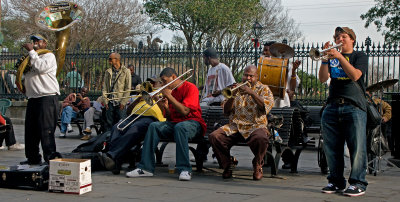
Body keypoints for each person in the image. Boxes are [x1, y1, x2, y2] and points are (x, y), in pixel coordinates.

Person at [126, 67, 206, 181]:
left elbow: (185, 111)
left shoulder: (190, 88)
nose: (163, 84)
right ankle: (145, 168)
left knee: (180, 127)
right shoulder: (170, 92)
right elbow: (169, 118)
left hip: (193, 123)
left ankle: (184, 169)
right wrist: (166, 108)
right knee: (154, 126)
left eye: (164, 80)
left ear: (173, 77)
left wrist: (170, 96)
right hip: (176, 124)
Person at [318, 27, 368, 196]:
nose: (340, 39)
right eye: (337, 37)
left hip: (353, 106)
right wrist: (325, 60)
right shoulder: (332, 58)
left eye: (344, 36)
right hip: (332, 105)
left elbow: (355, 75)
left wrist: (340, 57)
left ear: (352, 39)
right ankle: (336, 181)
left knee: (357, 147)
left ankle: (358, 182)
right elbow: (323, 79)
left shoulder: (358, 56)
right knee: (331, 148)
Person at [209, 65, 274, 180]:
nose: (247, 78)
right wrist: (232, 97)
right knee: (215, 136)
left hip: (255, 125)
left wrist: (251, 93)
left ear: (257, 77)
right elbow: (226, 111)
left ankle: (258, 164)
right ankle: (228, 164)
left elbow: (265, 108)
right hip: (235, 125)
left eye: (251, 76)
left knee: (261, 138)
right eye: (245, 75)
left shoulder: (264, 89)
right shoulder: (235, 88)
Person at [98, 78, 165, 174]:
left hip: (150, 117)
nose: (151, 85)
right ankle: (115, 163)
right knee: (116, 127)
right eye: (150, 82)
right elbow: (128, 111)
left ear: (161, 84)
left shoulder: (163, 95)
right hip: (133, 116)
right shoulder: (141, 94)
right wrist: (138, 99)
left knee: (133, 129)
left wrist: (156, 98)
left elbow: (166, 111)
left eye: (154, 83)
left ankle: (112, 157)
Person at [20, 34, 60, 165]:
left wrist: (32, 52)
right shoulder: (31, 58)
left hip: (47, 97)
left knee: (46, 130)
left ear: (45, 44)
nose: (35, 43)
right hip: (33, 97)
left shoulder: (49, 56)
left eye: (38, 41)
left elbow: (41, 68)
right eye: (33, 41)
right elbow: (25, 75)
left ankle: (50, 158)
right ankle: (32, 158)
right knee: (30, 131)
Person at [262, 41, 301, 108]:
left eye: (266, 50)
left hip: (282, 100)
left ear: (273, 51)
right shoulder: (262, 65)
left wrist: (293, 70)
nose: (264, 53)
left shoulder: (286, 66)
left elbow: (292, 88)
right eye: (263, 50)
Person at [102, 52, 131, 132]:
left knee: (122, 123)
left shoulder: (126, 71)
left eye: (110, 59)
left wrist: (123, 102)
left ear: (117, 60)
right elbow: (105, 88)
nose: (109, 61)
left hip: (120, 101)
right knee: (109, 123)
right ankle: (108, 140)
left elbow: (128, 88)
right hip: (110, 101)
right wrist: (105, 101)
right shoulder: (108, 71)